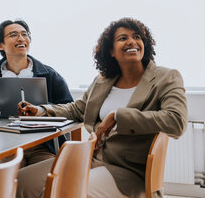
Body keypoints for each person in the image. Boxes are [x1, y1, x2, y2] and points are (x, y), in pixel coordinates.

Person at [16, 17, 188, 198]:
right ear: (111, 51)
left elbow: (176, 121)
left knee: (59, 191)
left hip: (126, 171)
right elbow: (77, 110)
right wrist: (41, 110)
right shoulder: (102, 80)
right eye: (122, 38)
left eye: (137, 37)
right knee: (20, 181)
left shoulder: (166, 77)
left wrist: (118, 115)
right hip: (88, 158)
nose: (132, 41)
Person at [0, 19, 73, 165]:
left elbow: (69, 108)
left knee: (51, 174)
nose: (21, 38)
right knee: (2, 174)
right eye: (13, 35)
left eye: (25, 34)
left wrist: (41, 110)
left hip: (42, 145)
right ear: (1, 45)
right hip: (4, 145)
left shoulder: (49, 74)